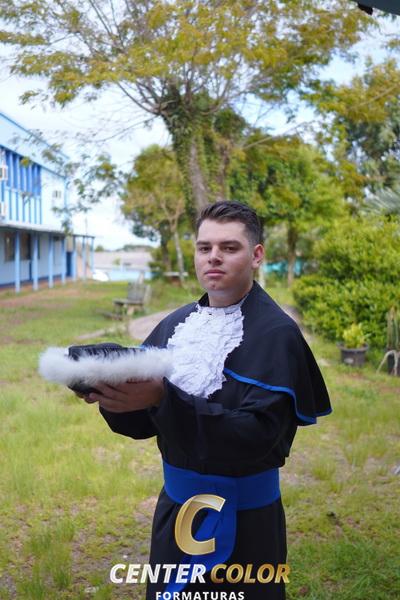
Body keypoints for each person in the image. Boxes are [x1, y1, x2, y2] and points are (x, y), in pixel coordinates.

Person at [83, 201, 332, 600]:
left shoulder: (276, 335)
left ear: (256, 255)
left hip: (248, 523)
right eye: (204, 247)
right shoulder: (176, 325)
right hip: (177, 512)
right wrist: (110, 392)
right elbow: (143, 421)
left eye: (229, 247)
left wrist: (164, 398)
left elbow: (256, 436)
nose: (213, 256)